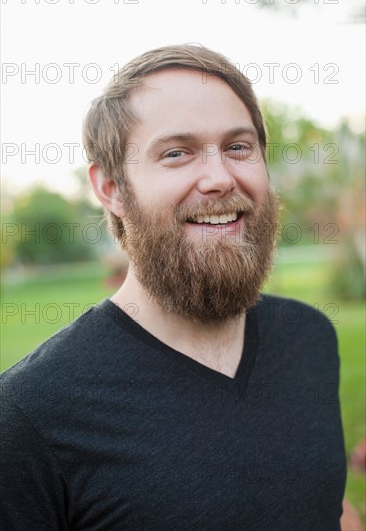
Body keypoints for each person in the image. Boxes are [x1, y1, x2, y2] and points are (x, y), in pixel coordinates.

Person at [1, 44, 348, 530]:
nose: (219, 178)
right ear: (111, 188)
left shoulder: (310, 337)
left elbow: (327, 507)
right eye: (176, 153)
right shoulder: (30, 414)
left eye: (238, 147)